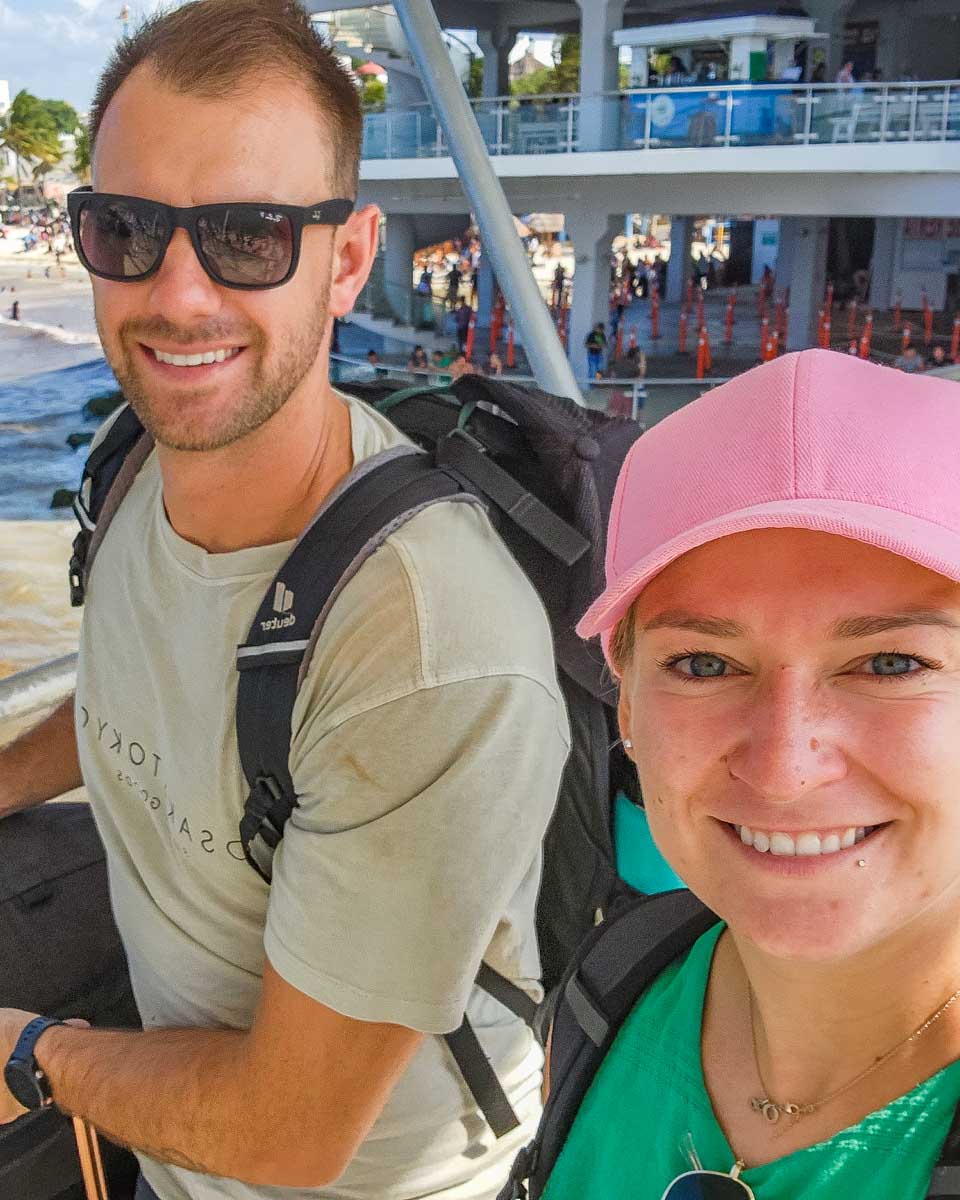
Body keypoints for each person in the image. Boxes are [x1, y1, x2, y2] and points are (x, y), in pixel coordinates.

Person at [0, 4, 569, 1200]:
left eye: (248, 236)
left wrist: (26, 1054)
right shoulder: (133, 462)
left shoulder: (424, 643)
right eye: (126, 229)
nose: (178, 295)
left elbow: (292, 1136)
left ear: (348, 259)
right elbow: (139, 687)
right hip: (174, 1133)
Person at [525, 350, 960, 1200]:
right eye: (703, 665)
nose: (784, 769)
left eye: (890, 663)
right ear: (626, 707)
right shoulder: (614, 987)